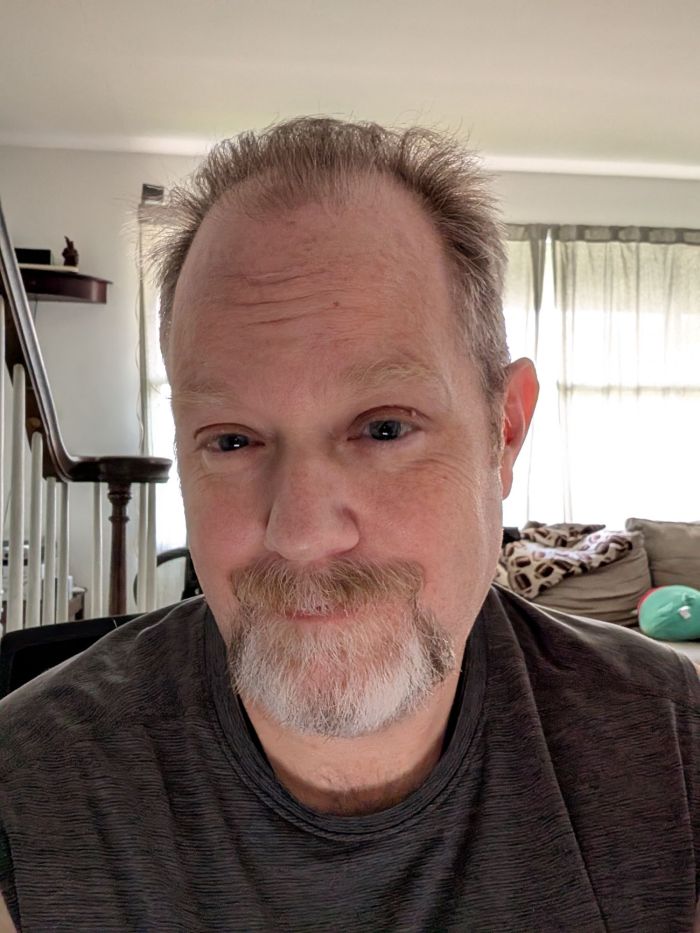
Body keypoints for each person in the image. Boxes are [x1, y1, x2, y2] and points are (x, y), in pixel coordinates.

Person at [0, 117, 698, 932]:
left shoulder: (673, 755)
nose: (302, 532)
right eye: (232, 440)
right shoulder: (27, 794)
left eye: (385, 428)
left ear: (504, 432)